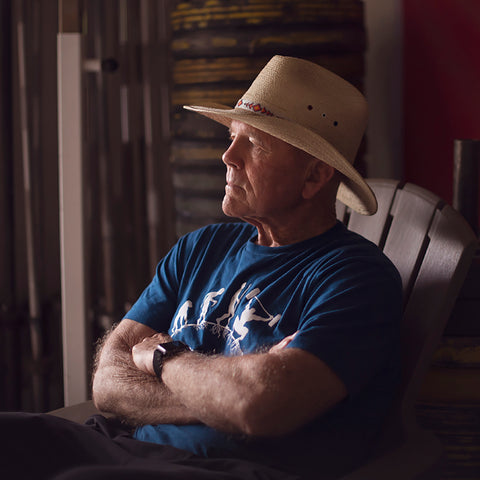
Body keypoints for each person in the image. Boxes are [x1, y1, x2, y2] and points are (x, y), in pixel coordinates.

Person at [0, 56, 402, 480]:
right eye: (232, 137)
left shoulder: (355, 280)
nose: (228, 156)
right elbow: (108, 382)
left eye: (255, 144)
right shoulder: (201, 247)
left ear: (315, 176)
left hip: (227, 469)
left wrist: (163, 358)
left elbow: (257, 406)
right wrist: (222, 397)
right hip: (118, 444)